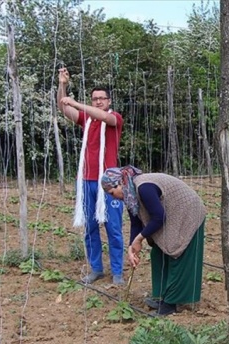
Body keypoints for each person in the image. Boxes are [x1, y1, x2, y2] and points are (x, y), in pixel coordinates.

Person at [101, 166, 207, 316]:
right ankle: (162, 296)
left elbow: (159, 217)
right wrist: (132, 247)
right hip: (172, 212)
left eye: (112, 192)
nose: (113, 197)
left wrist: (140, 239)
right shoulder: (130, 195)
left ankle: (171, 304)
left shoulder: (143, 188)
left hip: (188, 211)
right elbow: (136, 222)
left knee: (177, 252)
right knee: (159, 252)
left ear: (119, 183)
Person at [57, 67, 125, 285]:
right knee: (91, 227)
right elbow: (64, 108)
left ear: (108, 100)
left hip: (110, 182)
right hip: (87, 180)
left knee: (113, 228)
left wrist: (76, 103)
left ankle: (117, 272)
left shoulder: (114, 118)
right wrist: (63, 86)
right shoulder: (86, 121)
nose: (97, 102)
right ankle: (96, 268)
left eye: (101, 98)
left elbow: (104, 117)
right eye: (94, 99)